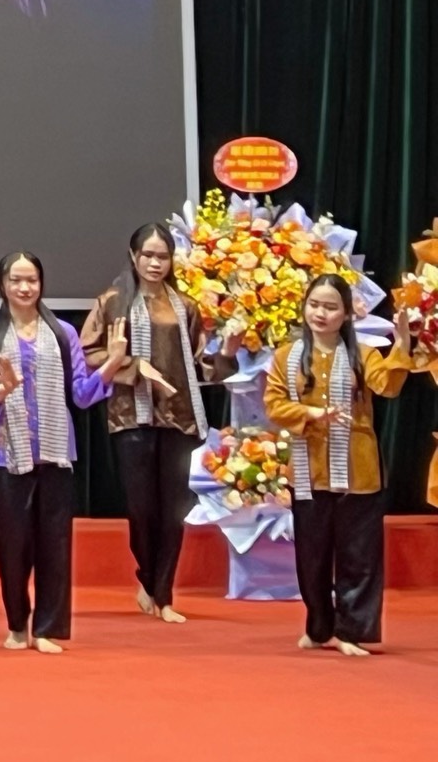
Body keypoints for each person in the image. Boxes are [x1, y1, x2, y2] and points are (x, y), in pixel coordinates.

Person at [0, 251, 123, 654]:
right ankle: (17, 624)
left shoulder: (62, 333)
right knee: (12, 545)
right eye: (16, 280)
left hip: (56, 453)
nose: (24, 287)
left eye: (32, 280)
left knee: (55, 543)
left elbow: (82, 395)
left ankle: (48, 628)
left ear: (41, 283)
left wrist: (111, 364)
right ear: (3, 284)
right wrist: (2, 390)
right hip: (7, 455)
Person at [79, 221, 234, 624]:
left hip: (178, 417)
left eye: (162, 256)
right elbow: (87, 354)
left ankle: (163, 595)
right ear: (133, 257)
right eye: (147, 255)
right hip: (131, 417)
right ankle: (148, 581)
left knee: (172, 511)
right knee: (141, 509)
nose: (154, 263)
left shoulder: (185, 306)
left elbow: (203, 365)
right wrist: (133, 366)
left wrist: (227, 355)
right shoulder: (112, 302)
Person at [264, 273, 417, 655]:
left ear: (347, 314)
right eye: (314, 305)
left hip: (358, 471)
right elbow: (275, 405)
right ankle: (319, 629)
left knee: (358, 556)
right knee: (312, 557)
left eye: (331, 307)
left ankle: (351, 632)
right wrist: (312, 413)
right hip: (309, 470)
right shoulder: (286, 356)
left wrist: (402, 344)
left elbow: (388, 386)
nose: (321, 313)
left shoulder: (363, 354)